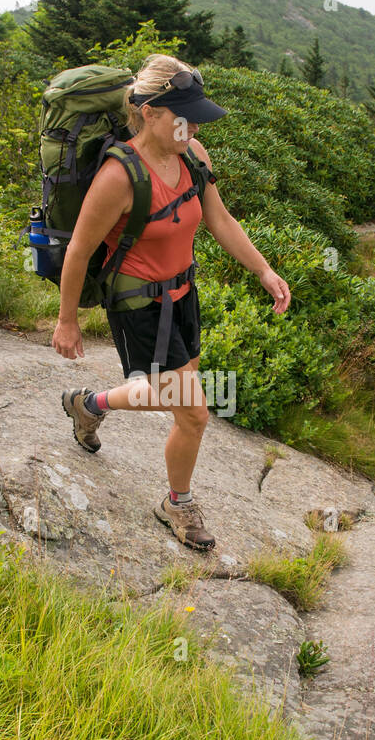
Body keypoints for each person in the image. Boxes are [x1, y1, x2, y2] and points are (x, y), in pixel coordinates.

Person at [54, 53, 291, 552]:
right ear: (148, 112)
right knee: (193, 412)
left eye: (195, 116)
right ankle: (176, 505)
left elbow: (220, 220)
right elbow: (78, 249)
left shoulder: (193, 155)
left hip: (185, 295)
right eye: (181, 115)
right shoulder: (119, 177)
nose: (192, 125)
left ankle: (89, 404)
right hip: (139, 306)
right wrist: (67, 320)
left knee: (166, 395)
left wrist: (264, 269)